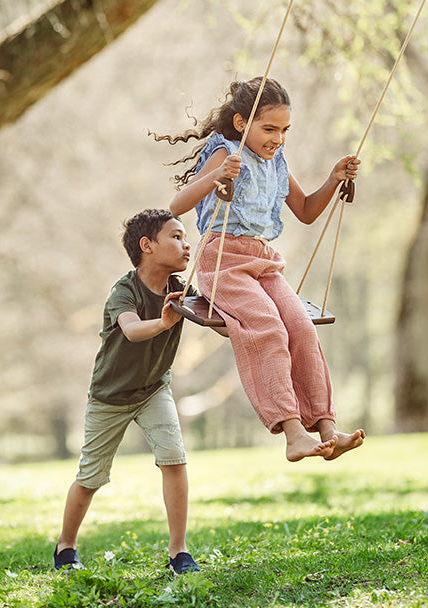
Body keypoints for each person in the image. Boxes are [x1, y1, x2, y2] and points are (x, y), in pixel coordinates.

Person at [156, 76, 365, 463]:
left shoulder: (277, 163)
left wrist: (334, 178)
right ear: (241, 124)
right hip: (224, 262)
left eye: (284, 130)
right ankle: (292, 434)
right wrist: (217, 177)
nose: (278, 138)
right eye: (269, 129)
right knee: (267, 327)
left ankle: (326, 428)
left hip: (266, 263)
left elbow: (305, 212)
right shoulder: (225, 154)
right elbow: (177, 205)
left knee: (300, 327)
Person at [53, 209, 200, 575]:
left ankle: (178, 552)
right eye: (177, 236)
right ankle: (65, 547)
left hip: (154, 389)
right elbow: (132, 331)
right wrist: (165, 322)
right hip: (111, 398)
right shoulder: (124, 291)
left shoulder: (183, 289)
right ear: (147, 246)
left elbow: (218, 318)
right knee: (90, 478)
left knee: (174, 459)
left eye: (185, 237)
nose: (187, 244)